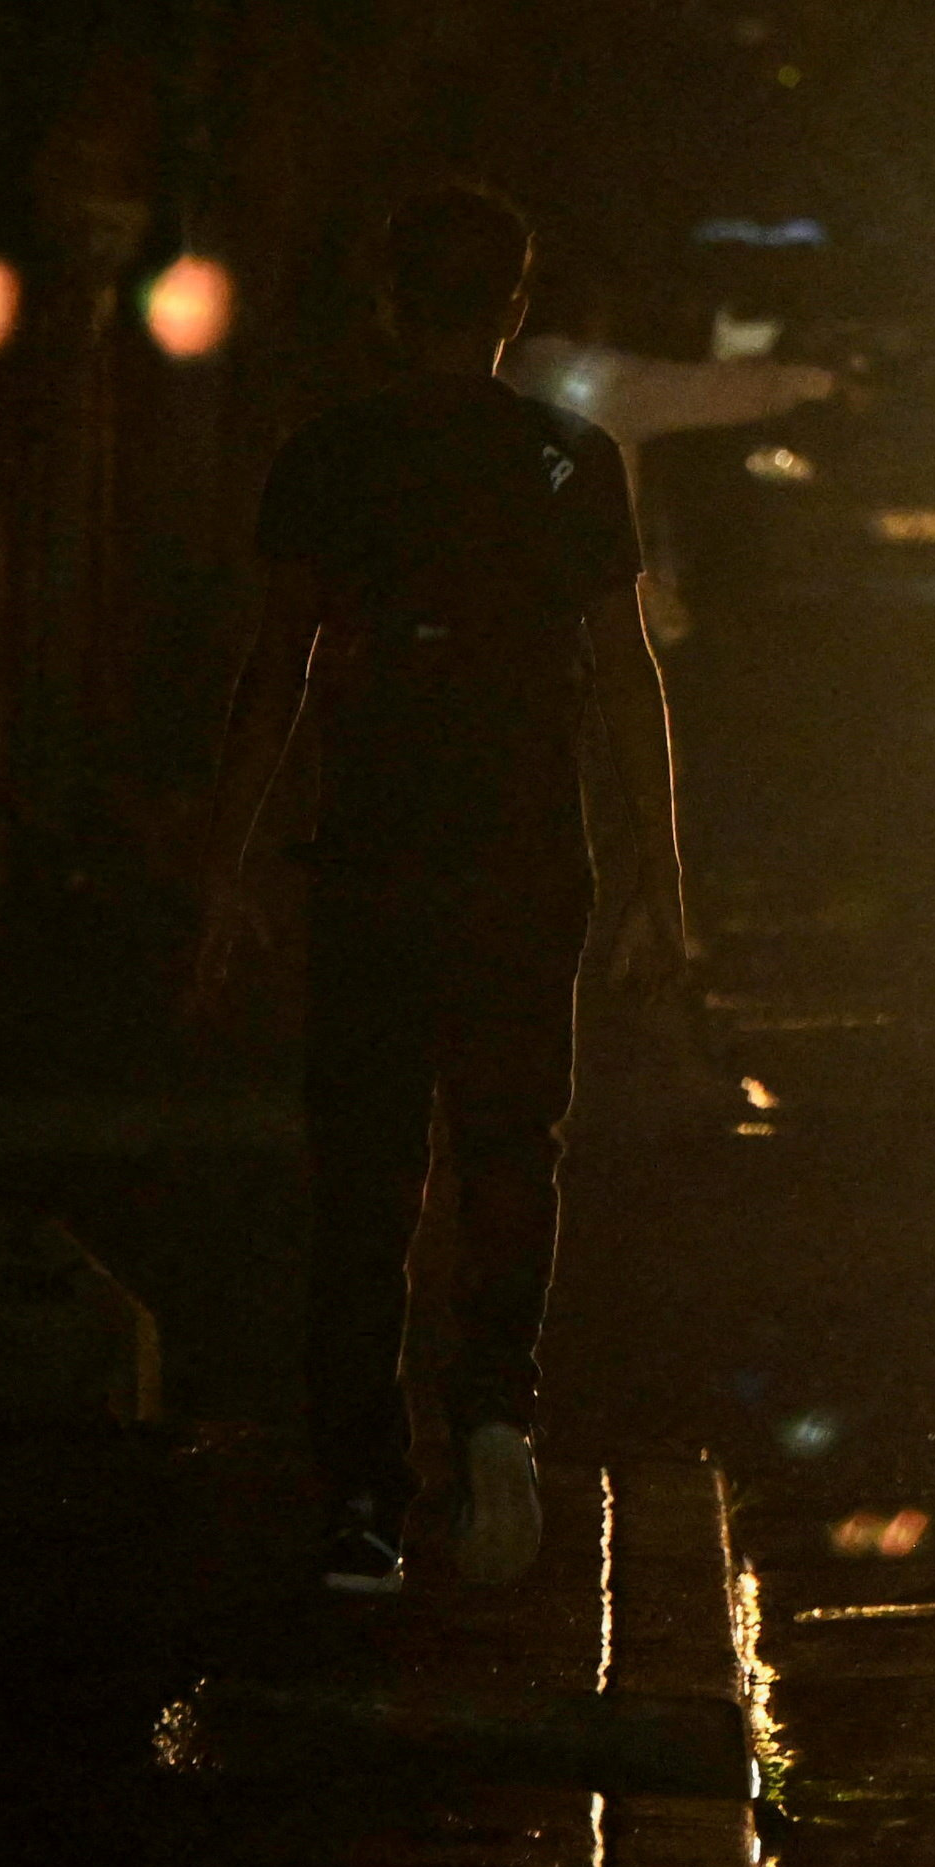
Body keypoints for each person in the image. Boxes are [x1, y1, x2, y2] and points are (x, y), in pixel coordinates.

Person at [195, 184, 691, 1597]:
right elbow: (624, 680)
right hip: (527, 858)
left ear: (388, 301)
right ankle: (496, 1411)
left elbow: (270, 676)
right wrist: (665, 887)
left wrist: (220, 876)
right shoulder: (569, 461)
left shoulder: (331, 459)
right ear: (514, 309)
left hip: (370, 859)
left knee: (363, 1176)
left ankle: (361, 1494)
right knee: (510, 1148)